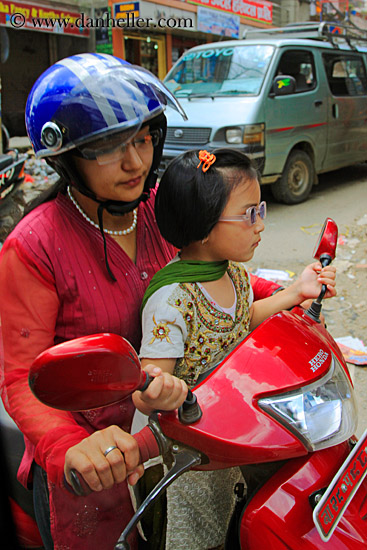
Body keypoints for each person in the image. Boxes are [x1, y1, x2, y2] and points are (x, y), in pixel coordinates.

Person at [0, 53, 190, 550]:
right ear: (67, 159)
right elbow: (21, 378)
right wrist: (69, 446)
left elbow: (209, 271)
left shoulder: (159, 210)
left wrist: (276, 295)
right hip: (93, 464)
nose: (135, 162)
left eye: (142, 139)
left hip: (172, 436)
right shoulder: (34, 246)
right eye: (108, 149)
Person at [139, 148, 337, 550]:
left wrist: (297, 291)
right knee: (198, 536)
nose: (261, 224)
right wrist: (159, 388)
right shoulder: (173, 299)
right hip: (189, 456)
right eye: (250, 214)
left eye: (260, 209)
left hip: (232, 434)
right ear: (205, 225)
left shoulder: (229, 271)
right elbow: (148, 386)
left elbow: (241, 319)